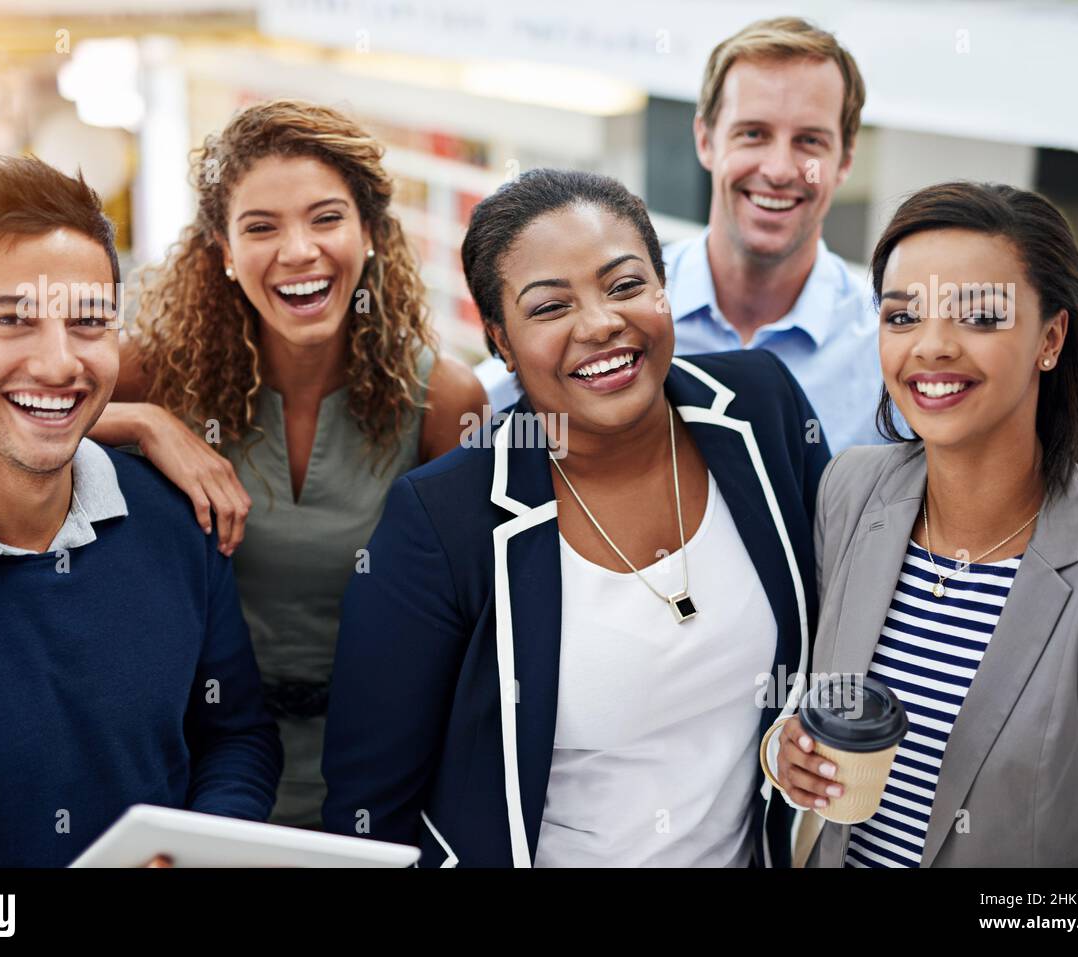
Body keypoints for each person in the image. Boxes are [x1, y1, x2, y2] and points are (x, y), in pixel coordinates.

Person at [0, 100, 487, 829]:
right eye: (260, 226)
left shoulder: (443, 396)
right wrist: (141, 418)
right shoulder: (155, 373)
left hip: (377, 753)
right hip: (211, 752)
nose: (297, 250)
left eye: (326, 218)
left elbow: (470, 614)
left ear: (371, 234)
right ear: (222, 249)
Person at [322, 169, 829, 867]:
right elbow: (368, 814)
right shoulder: (440, 522)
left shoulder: (763, 406)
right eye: (551, 307)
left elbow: (831, 629)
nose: (600, 324)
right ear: (500, 339)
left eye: (625, 285)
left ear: (663, 289)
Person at [0, 156, 281, 867]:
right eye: (12, 320)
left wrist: (198, 851)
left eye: (89, 321)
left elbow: (235, 736)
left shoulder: (172, 518)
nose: (59, 363)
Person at [769, 182, 1078, 867]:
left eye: (979, 317)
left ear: (1051, 337)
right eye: (901, 317)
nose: (931, 347)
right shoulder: (851, 489)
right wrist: (787, 750)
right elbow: (817, 696)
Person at [476, 16, 893, 452]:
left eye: (810, 142)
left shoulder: (882, 350)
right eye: (753, 134)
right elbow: (478, 405)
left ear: (845, 160)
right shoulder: (623, 307)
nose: (778, 169)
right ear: (705, 139)